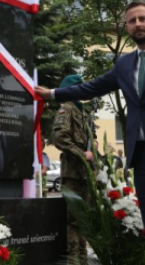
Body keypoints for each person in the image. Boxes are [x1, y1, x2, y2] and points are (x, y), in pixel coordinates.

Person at [36, 1, 145, 265]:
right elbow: (91, 87)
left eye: (142, 18)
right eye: (132, 20)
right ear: (127, 27)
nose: (138, 24)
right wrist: (53, 94)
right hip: (143, 159)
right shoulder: (124, 64)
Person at [50, 75, 91, 265]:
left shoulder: (81, 112)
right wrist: (82, 154)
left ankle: (82, 257)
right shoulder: (66, 108)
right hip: (73, 173)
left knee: (83, 218)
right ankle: (74, 260)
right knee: (74, 218)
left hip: (84, 173)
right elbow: (60, 137)